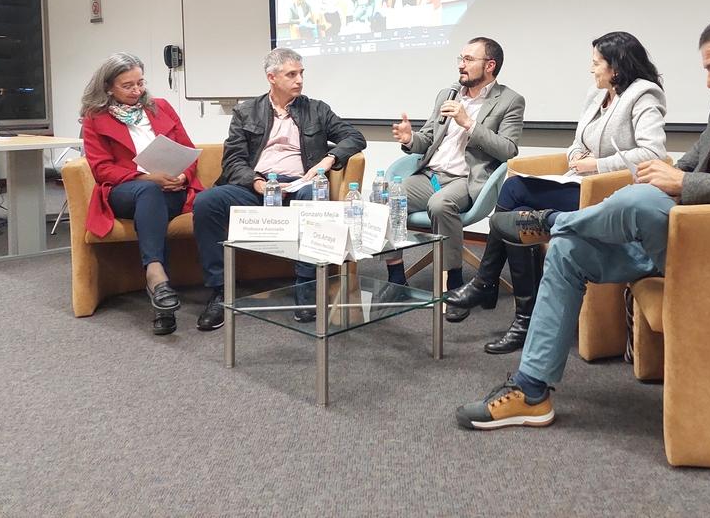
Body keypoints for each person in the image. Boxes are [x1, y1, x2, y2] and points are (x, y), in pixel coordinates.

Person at [456, 12, 710, 430]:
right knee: (570, 251)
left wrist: (684, 182)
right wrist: (669, 176)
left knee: (635, 200)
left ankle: (553, 222)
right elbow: (690, 164)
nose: (709, 81)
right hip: (676, 242)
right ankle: (531, 392)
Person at [444, 31, 667, 353]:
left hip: (611, 192)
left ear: (616, 68)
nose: (592, 70)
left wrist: (597, 165)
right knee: (513, 190)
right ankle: (510, 303)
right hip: (579, 181)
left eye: (596, 64)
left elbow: (653, 154)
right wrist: (576, 155)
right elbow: (579, 142)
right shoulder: (597, 95)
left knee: (510, 212)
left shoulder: (643, 95)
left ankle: (496, 292)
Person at [192, 47, 366, 331]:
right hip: (257, 185)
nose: (299, 80)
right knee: (207, 203)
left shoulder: (316, 109)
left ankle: (306, 289)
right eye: (291, 74)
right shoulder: (246, 110)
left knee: (314, 198)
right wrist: (257, 183)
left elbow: (354, 136)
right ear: (272, 78)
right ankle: (220, 292)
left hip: (300, 185)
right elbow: (233, 159)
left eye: (301, 74)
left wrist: (328, 159)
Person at [388, 37, 525, 310]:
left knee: (440, 205)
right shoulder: (447, 94)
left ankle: (454, 282)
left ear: (490, 65)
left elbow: (508, 149)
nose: (461, 66)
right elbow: (427, 138)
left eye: (468, 60)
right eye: (460, 59)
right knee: (386, 196)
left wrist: (469, 123)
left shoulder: (510, 101)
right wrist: (408, 139)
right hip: (430, 175)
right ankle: (396, 279)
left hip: (467, 179)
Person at [79, 52, 203, 336]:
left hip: (171, 189)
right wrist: (146, 178)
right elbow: (102, 169)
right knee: (148, 192)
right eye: (128, 85)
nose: (137, 91)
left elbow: (189, 150)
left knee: (154, 202)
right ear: (108, 86)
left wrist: (183, 174)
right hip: (125, 191)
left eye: (140, 83)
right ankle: (156, 272)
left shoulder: (161, 107)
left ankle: (159, 290)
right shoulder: (94, 118)